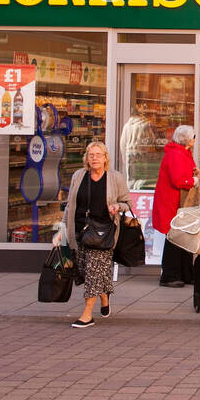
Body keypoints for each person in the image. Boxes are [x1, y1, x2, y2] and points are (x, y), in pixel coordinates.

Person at [60, 141, 130, 329]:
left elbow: (127, 203)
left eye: (98, 155)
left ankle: (86, 315)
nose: (94, 158)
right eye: (91, 155)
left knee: (93, 272)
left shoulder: (115, 178)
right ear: (86, 158)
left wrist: (117, 206)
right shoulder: (78, 176)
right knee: (85, 270)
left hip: (103, 233)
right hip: (81, 231)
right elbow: (70, 205)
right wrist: (61, 230)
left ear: (105, 158)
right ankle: (104, 297)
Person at [152, 124, 198, 288]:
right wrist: (194, 180)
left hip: (177, 202)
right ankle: (170, 274)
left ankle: (184, 273)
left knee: (182, 237)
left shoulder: (180, 153)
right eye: (193, 136)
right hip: (172, 202)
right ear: (186, 139)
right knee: (174, 238)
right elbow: (179, 180)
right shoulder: (177, 154)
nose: (194, 139)